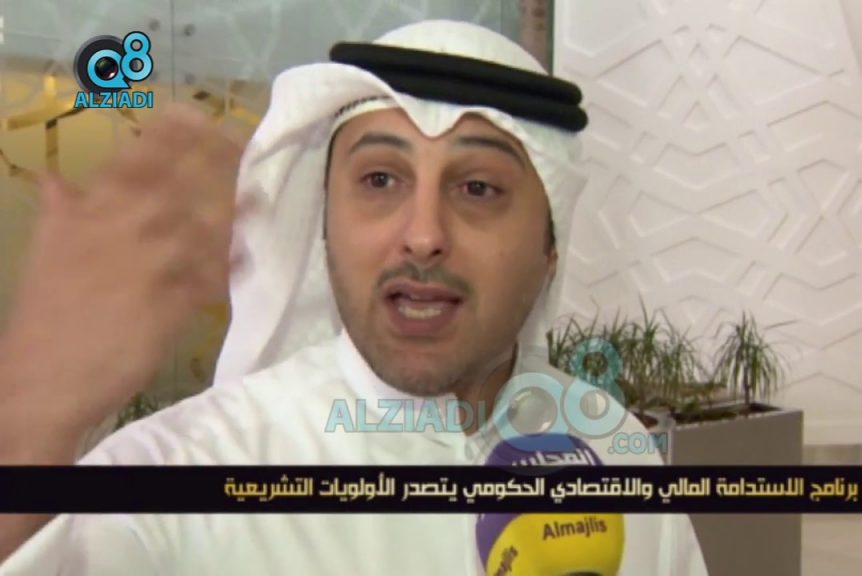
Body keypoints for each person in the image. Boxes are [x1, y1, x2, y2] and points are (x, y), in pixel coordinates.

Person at [0, 20, 708, 575]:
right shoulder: (177, 478)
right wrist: (30, 423)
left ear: (549, 248)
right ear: (325, 226)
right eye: (380, 180)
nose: (423, 235)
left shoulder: (613, 450)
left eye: (478, 188)